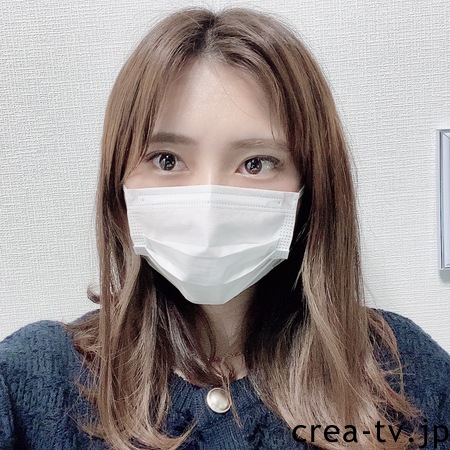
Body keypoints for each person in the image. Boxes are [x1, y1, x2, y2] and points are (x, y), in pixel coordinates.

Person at [0, 6, 449, 450]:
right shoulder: (32, 379)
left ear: (310, 189)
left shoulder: (401, 371)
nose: (208, 202)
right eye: (167, 160)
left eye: (256, 163)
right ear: (119, 185)